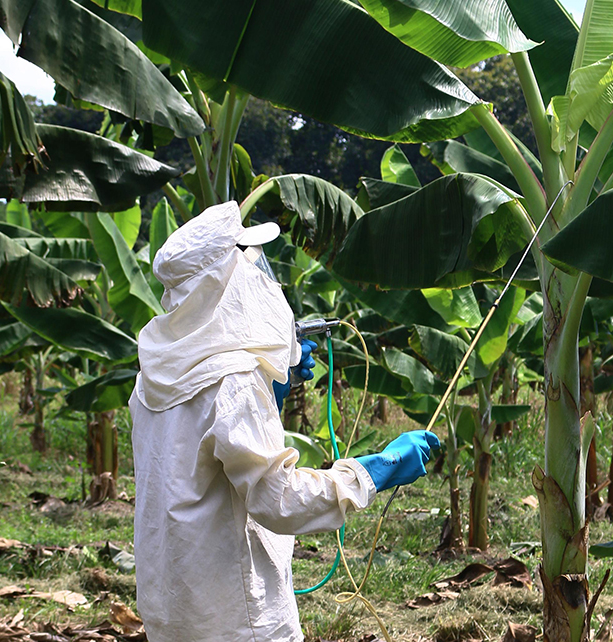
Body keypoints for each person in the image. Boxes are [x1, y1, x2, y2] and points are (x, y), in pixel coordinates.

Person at [129, 201, 441, 642]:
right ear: (225, 284)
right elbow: (278, 500)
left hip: (174, 611)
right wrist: (376, 470)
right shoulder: (233, 383)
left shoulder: (152, 378)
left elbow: (197, 470)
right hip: (240, 620)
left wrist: (269, 390)